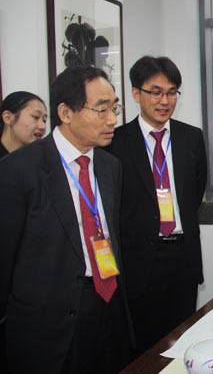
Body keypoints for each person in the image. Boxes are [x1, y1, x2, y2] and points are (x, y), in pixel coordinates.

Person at [0, 66, 131, 374]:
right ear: (66, 113)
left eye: (114, 108)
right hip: (47, 325)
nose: (112, 119)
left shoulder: (110, 166)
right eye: (101, 109)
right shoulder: (18, 170)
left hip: (106, 305)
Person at [106, 56, 207, 356]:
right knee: (143, 348)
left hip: (183, 257)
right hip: (138, 261)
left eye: (172, 92)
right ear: (136, 93)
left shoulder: (191, 138)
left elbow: (194, 192)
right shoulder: (115, 143)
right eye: (156, 92)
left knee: (182, 341)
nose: (165, 101)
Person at [0, 91, 47, 158]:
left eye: (44, 120)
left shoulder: (43, 159)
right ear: (8, 118)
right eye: (35, 117)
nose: (43, 126)